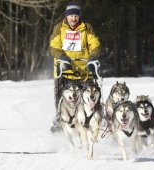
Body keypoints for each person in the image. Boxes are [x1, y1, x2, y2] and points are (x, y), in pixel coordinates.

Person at [49, 2, 100, 132]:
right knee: (61, 97)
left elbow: (94, 43)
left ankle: (93, 121)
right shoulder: (59, 28)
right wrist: (62, 57)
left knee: (91, 97)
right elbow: (54, 46)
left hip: (84, 70)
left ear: (79, 16)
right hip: (64, 69)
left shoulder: (87, 28)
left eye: (76, 16)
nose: (73, 18)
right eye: (71, 15)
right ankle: (60, 120)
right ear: (67, 16)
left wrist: (93, 57)